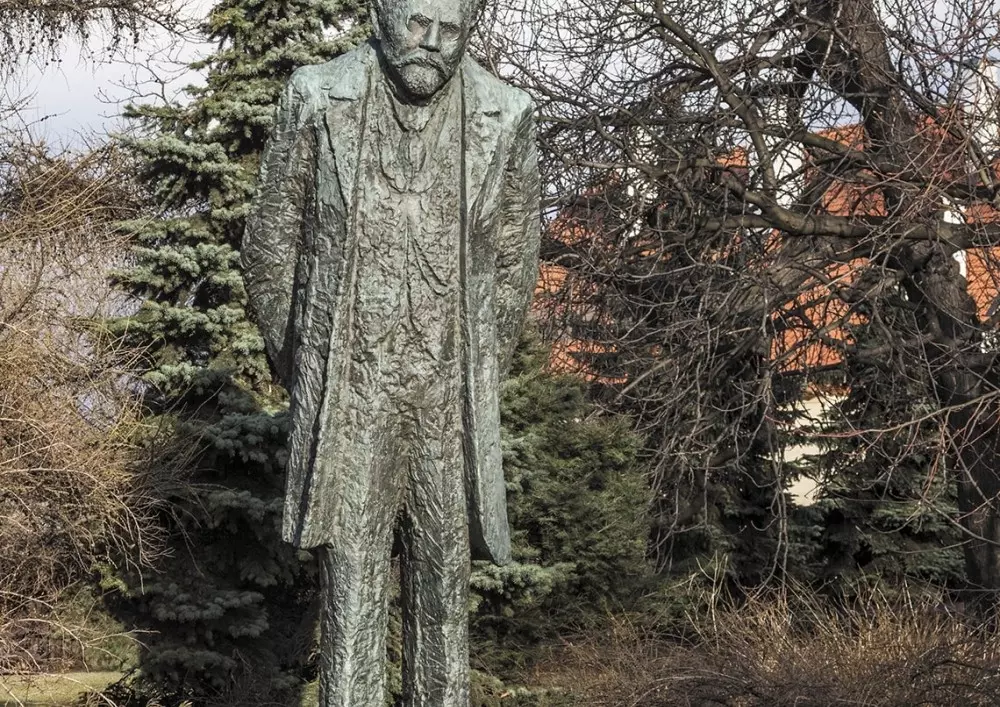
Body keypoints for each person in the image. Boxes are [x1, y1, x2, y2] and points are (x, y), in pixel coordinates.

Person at [241, 0, 540, 702]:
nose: (431, 44)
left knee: (444, 593)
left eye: (449, 31)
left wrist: (472, 370)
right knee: (351, 592)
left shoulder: (507, 114)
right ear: (380, 13)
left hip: (446, 401)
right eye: (417, 24)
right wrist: (311, 368)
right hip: (352, 393)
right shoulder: (318, 97)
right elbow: (269, 248)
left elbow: (515, 266)